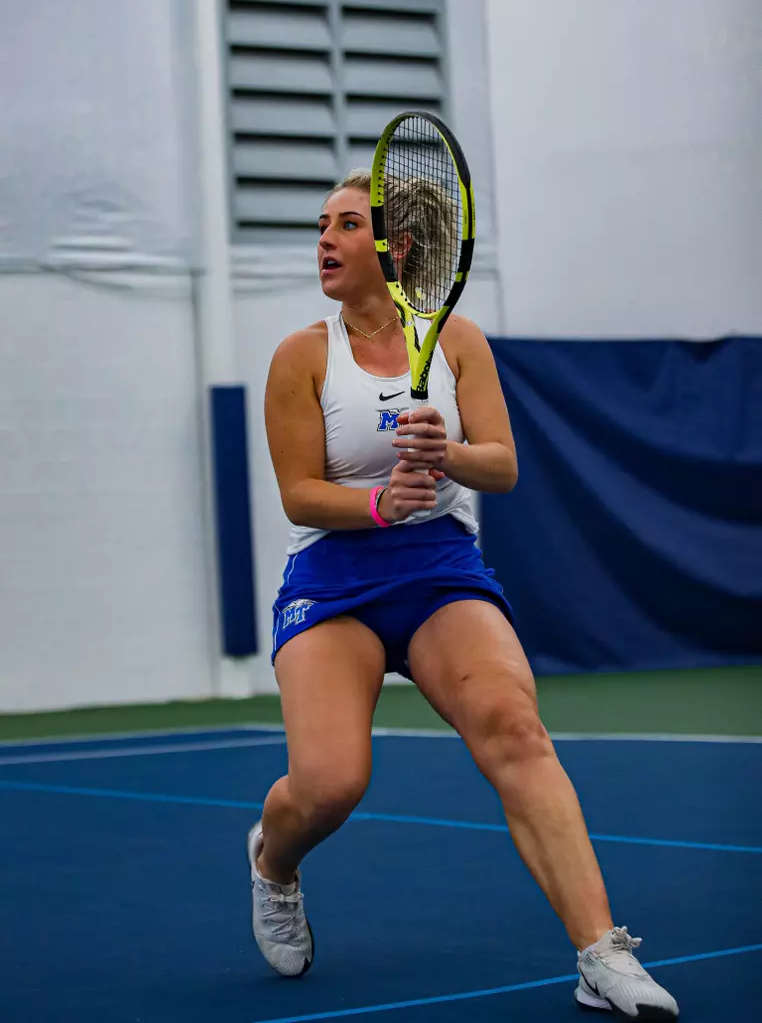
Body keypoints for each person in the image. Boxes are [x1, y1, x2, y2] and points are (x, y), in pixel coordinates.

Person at [249, 168, 679, 1021]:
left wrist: (444, 450)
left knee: (515, 728)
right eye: (321, 226)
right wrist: (377, 500)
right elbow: (299, 494)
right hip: (335, 574)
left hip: (440, 568)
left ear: (394, 247)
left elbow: (504, 465)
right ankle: (273, 862)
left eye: (344, 225)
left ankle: (601, 955)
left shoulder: (456, 342)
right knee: (330, 785)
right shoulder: (301, 356)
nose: (324, 240)